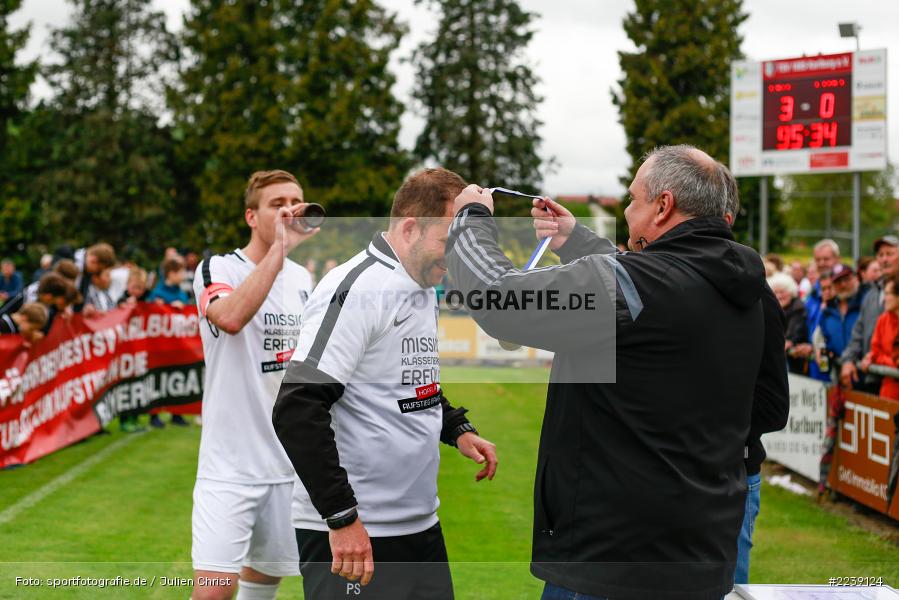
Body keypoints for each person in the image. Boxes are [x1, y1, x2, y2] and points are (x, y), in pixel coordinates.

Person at [445, 144, 788, 599]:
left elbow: (499, 297)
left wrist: (471, 218)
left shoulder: (638, 284)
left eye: (633, 200)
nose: (627, 212)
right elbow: (768, 409)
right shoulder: (751, 287)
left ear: (663, 206)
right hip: (702, 549)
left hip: (612, 556)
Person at [273, 168, 498, 600]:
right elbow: (297, 408)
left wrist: (456, 428)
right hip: (359, 536)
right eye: (449, 241)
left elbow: (409, 380)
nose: (455, 257)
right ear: (410, 227)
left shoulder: (419, 284)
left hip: (420, 527)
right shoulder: (358, 287)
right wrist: (342, 518)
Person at [190, 170, 317, 600]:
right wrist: (278, 253)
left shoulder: (303, 279)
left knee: (263, 584)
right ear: (251, 215)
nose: (289, 210)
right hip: (228, 468)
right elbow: (228, 317)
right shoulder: (218, 267)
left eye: (295, 201)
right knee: (213, 593)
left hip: (287, 468)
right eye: (276, 203)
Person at [840, 235, 899, 394]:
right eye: (880, 255)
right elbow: (858, 334)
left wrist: (877, 357)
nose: (884, 259)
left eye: (890, 254)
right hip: (872, 379)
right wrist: (848, 360)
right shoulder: (871, 295)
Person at [866, 272, 899, 402]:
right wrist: (894, 363)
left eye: (887, 294)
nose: (884, 299)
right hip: (889, 390)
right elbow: (875, 352)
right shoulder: (883, 320)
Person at [768, 272, 808, 374]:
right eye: (775, 292)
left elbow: (795, 332)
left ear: (791, 291)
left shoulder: (798, 307)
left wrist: (788, 341)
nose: (779, 295)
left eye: (782, 291)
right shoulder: (774, 308)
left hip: (795, 361)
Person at [804, 239, 840, 334]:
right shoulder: (813, 292)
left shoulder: (844, 289)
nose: (821, 263)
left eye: (826, 259)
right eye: (818, 260)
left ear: (837, 259)